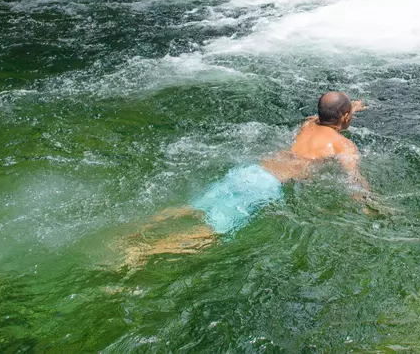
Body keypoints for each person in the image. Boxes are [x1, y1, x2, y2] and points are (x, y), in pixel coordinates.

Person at [122, 91, 370, 266]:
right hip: (267, 185)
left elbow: (324, 116)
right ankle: (146, 253)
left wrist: (351, 107)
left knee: (195, 207)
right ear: (346, 117)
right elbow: (354, 180)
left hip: (251, 171)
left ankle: (136, 233)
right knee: (213, 233)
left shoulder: (309, 125)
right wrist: (367, 202)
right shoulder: (343, 146)